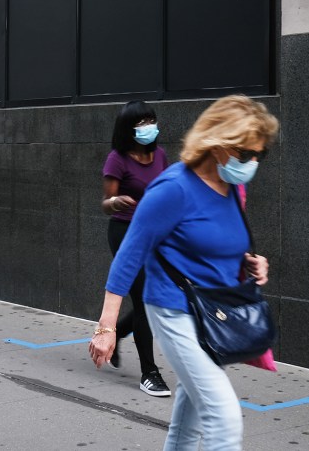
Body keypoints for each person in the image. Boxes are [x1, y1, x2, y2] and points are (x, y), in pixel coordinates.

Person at [89, 95, 278, 451]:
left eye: (259, 154)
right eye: (245, 154)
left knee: (187, 425)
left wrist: (251, 262)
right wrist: (106, 328)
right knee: (223, 416)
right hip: (174, 310)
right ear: (217, 144)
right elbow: (128, 257)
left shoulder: (233, 186)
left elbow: (220, 241)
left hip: (212, 312)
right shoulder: (174, 189)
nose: (252, 162)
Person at [101, 100, 170, 397]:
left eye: (150, 120)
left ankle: (118, 329)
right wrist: (115, 202)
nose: (148, 127)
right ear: (128, 128)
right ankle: (149, 372)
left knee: (152, 300)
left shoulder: (161, 156)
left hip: (156, 233)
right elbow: (106, 203)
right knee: (143, 300)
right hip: (126, 232)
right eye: (141, 122)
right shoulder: (117, 158)